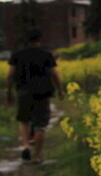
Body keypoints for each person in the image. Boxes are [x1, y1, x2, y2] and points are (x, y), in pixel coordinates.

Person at [6, 28, 64, 164]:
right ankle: (37, 156)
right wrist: (60, 90)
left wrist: (8, 92)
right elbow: (54, 74)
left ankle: (26, 145)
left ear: (26, 39)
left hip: (23, 91)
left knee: (23, 120)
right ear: (39, 39)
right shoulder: (46, 54)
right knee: (40, 125)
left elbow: (10, 75)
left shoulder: (17, 54)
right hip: (42, 93)